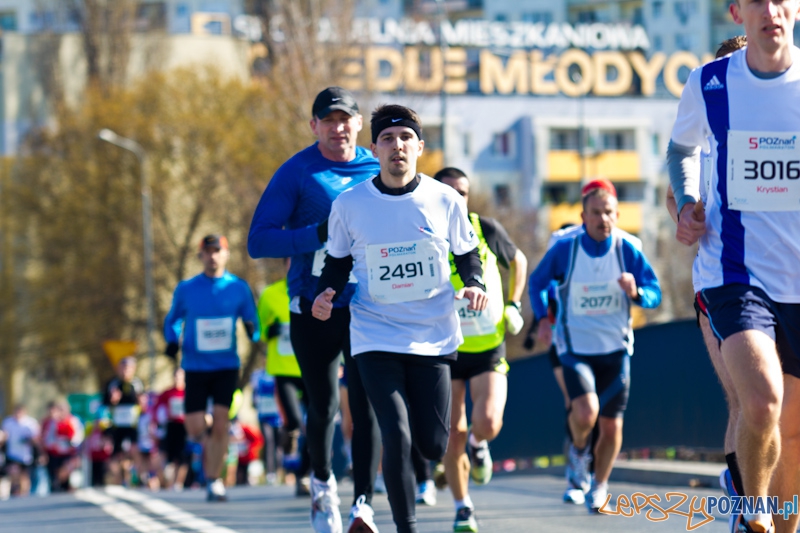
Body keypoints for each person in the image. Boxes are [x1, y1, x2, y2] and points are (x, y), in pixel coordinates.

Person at [312, 104, 488, 533]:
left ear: (420, 147)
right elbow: (337, 262)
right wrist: (326, 292)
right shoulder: (350, 204)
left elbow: (468, 253)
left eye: (406, 138)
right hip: (374, 334)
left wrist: (474, 283)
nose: (398, 146)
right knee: (396, 434)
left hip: (433, 334)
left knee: (433, 444)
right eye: (388, 139)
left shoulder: (444, 199)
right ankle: (406, 527)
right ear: (374, 149)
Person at [668, 1, 800, 529]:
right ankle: (751, 507)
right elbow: (681, 150)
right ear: (736, 11)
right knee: (762, 401)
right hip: (735, 273)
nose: (771, 10)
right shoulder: (710, 83)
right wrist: (686, 203)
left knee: (792, 434)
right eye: (757, 0)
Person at [248, 86, 381, 533]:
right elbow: (258, 241)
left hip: (368, 305)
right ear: (314, 126)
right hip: (314, 305)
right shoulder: (297, 172)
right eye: (328, 120)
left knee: (365, 405)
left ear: (359, 124)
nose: (337, 128)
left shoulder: (376, 166)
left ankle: (363, 504)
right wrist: (317, 235)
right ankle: (323, 486)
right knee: (323, 406)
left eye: (345, 119)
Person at [528, 181, 661, 513]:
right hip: (575, 349)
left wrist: (636, 293)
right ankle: (578, 451)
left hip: (615, 350)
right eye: (596, 213)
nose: (603, 219)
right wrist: (543, 318)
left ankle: (599, 486)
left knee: (612, 425)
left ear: (617, 215)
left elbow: (654, 292)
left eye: (609, 212)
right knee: (586, 412)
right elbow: (537, 282)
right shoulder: (566, 250)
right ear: (583, 217)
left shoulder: (627, 249)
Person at [665, 35, 748, 503]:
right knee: (744, 398)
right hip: (718, 280)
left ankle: (762, 494)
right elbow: (673, 190)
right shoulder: (703, 137)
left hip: (781, 279)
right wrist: (685, 213)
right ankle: (745, 500)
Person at [433, 167, 527, 533]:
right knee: (452, 433)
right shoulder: (424, 232)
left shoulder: (483, 228)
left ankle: (479, 443)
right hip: (445, 346)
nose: (457, 198)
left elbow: (518, 260)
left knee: (488, 422)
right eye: (449, 191)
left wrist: (514, 303)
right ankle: (462, 508)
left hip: (487, 343)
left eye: (463, 192)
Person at [163, 233, 260, 502]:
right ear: (200, 256)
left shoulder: (238, 287)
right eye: (207, 251)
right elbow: (173, 319)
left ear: (226, 254)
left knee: (221, 423)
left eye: (217, 250)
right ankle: (207, 430)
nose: (212, 256)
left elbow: (252, 319)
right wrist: (171, 340)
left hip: (226, 366)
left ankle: (214, 481)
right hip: (195, 366)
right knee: (194, 428)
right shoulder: (187, 289)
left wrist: (251, 330)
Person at [255, 258, 312, 494]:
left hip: (309, 367)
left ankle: (304, 474)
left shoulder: (316, 288)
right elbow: (258, 330)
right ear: (286, 264)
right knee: (295, 420)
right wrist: (269, 331)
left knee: (316, 422)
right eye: (292, 261)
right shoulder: (270, 294)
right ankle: (289, 433)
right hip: (283, 370)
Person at [102, 356, 144, 486]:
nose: (126, 371)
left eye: (128, 368)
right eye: (123, 368)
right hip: (117, 425)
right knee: (117, 454)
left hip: (132, 424)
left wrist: (142, 403)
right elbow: (104, 406)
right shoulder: (112, 384)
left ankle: (138, 477)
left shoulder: (137, 384)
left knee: (134, 450)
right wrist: (112, 401)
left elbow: (143, 405)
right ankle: (119, 480)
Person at [156, 368, 189, 490]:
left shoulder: (188, 392)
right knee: (168, 455)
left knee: (183, 456)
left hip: (184, 427)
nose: (178, 379)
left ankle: (178, 483)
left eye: (180, 376)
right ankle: (168, 482)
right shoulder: (167, 393)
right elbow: (158, 408)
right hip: (171, 426)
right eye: (176, 376)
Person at [41, 401, 84, 493]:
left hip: (69, 454)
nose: (61, 412)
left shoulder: (73, 420)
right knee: (54, 476)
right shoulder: (52, 422)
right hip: (55, 454)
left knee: (66, 474)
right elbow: (47, 438)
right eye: (60, 410)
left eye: (63, 410)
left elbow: (78, 436)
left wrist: (70, 442)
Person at [1, 405, 40, 497]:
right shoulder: (8, 422)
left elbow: (36, 439)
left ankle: (24, 495)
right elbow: (4, 436)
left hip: (26, 455)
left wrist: (30, 440)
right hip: (12, 453)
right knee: (13, 471)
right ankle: (15, 490)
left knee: (24, 476)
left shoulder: (30, 423)